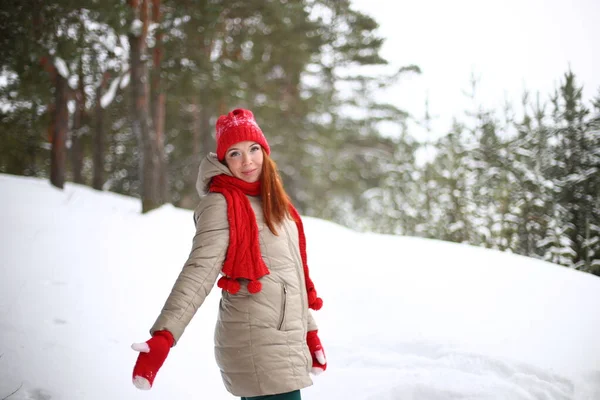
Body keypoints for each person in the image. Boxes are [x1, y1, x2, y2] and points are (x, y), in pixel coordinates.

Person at [131, 108, 327, 400]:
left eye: (253, 149)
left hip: (283, 341)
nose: (247, 161)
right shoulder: (221, 204)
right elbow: (198, 272)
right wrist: (164, 335)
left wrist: (309, 332)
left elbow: (290, 277)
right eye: (235, 153)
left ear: (264, 151)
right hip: (254, 341)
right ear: (223, 160)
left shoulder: (274, 202)